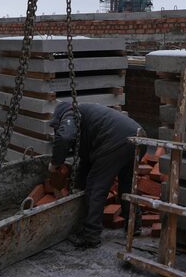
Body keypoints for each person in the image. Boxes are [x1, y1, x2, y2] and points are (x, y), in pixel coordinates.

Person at [50, 101, 143, 249]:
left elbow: (65, 137)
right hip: (138, 136)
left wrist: (56, 163)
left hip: (117, 139)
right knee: (127, 184)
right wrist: (78, 185)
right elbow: (86, 161)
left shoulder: (69, 112)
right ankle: (135, 225)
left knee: (95, 187)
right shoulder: (89, 120)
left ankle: (91, 236)